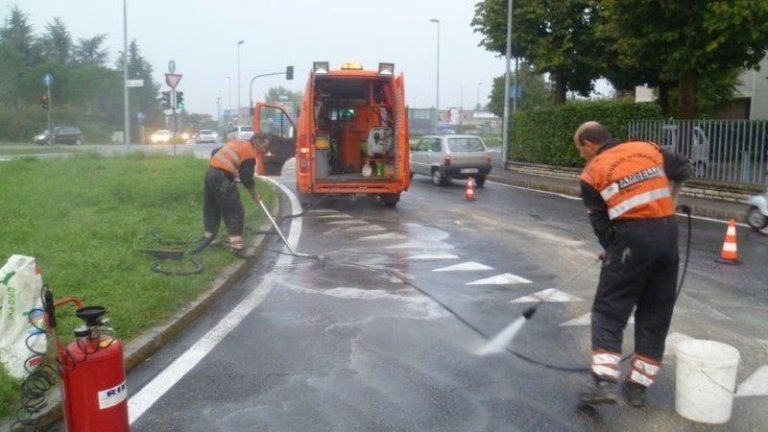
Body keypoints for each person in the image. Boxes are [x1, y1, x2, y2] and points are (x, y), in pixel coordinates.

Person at [573, 121, 693, 407]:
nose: (581, 156)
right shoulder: (647, 148)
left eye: (580, 149)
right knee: (655, 313)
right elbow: (685, 169)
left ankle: (604, 384)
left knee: (609, 310)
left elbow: (602, 227)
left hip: (630, 241)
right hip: (666, 239)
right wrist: (670, 205)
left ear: (590, 144)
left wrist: (615, 250)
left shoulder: (592, 173)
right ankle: (638, 387)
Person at [200, 132, 270, 258]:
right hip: (221, 178)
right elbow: (246, 179)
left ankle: (211, 239)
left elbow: (215, 151)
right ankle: (237, 247)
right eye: (264, 146)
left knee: (212, 207)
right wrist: (255, 194)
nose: (264, 150)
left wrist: (227, 170)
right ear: (257, 141)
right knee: (235, 210)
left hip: (210, 173)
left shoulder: (238, 142)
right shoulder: (250, 153)